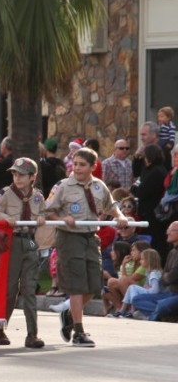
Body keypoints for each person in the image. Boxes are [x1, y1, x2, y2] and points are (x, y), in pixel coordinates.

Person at [44, 147, 128, 347]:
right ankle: (79, 332)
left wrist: (120, 216)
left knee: (93, 286)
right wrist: (63, 218)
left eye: (82, 165)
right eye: (75, 164)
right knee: (77, 286)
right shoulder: (62, 186)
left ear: (93, 166)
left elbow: (111, 205)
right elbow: (48, 211)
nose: (78, 168)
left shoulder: (99, 186)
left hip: (91, 237)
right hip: (70, 238)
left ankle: (69, 315)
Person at [0, 157, 47, 348]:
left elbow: (43, 212)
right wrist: (5, 217)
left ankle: (32, 334)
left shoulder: (38, 197)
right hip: (11, 243)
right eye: (15, 174)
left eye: (22, 175)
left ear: (32, 177)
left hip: (30, 243)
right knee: (10, 290)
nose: (17, 178)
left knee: (29, 289)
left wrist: (41, 218)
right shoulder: (6, 193)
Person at [132, 222, 178, 321]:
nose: (167, 233)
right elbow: (164, 276)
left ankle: (154, 316)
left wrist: (168, 277)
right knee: (137, 299)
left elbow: (173, 276)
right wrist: (168, 277)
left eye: (170, 230)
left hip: (175, 294)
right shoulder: (172, 252)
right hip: (168, 293)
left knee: (162, 305)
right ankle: (166, 316)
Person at [117, 248, 162, 318]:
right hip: (150, 293)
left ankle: (130, 310)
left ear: (149, 261)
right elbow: (146, 285)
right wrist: (145, 287)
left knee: (132, 287)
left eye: (142, 259)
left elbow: (155, 290)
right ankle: (123, 310)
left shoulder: (154, 274)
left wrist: (147, 289)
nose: (140, 261)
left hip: (154, 296)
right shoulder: (149, 272)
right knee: (131, 287)